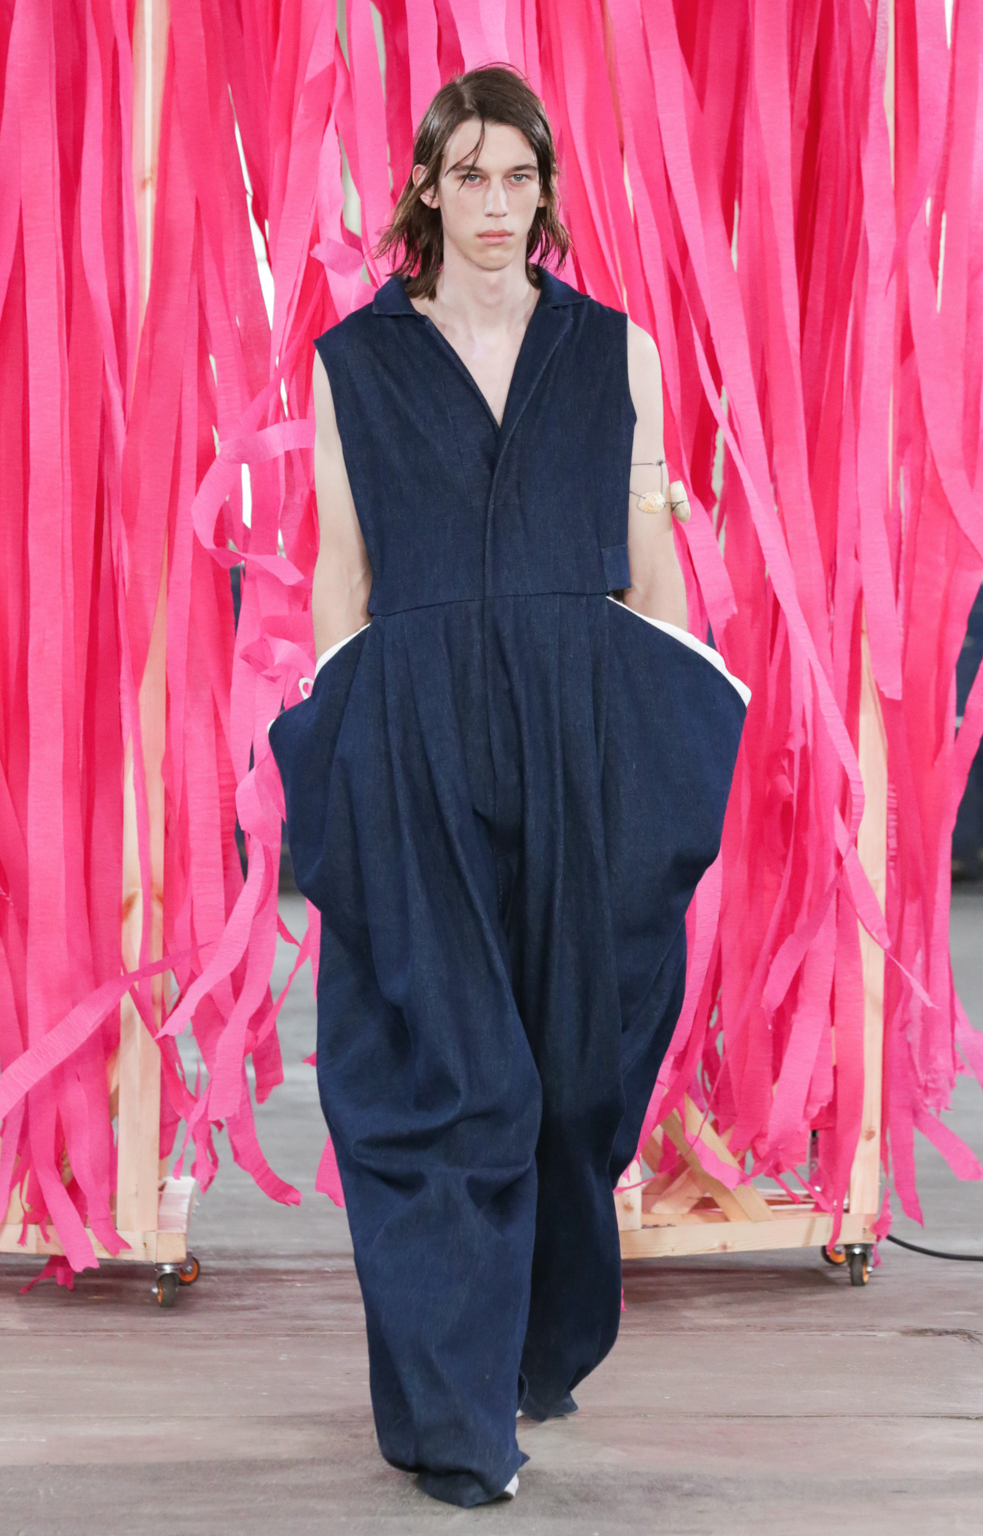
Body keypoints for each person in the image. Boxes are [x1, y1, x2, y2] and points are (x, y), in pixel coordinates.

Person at [269, 64, 748, 1509]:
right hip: (413, 738)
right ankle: (457, 1418)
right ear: (425, 185)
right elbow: (342, 572)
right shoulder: (356, 364)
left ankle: (536, 1336)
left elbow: (650, 561)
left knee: (572, 1075)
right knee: (454, 1079)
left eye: (518, 176)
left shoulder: (613, 351)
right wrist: (337, 744)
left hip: (578, 734)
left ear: (545, 190)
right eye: (468, 174)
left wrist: (671, 727)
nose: (495, 203)